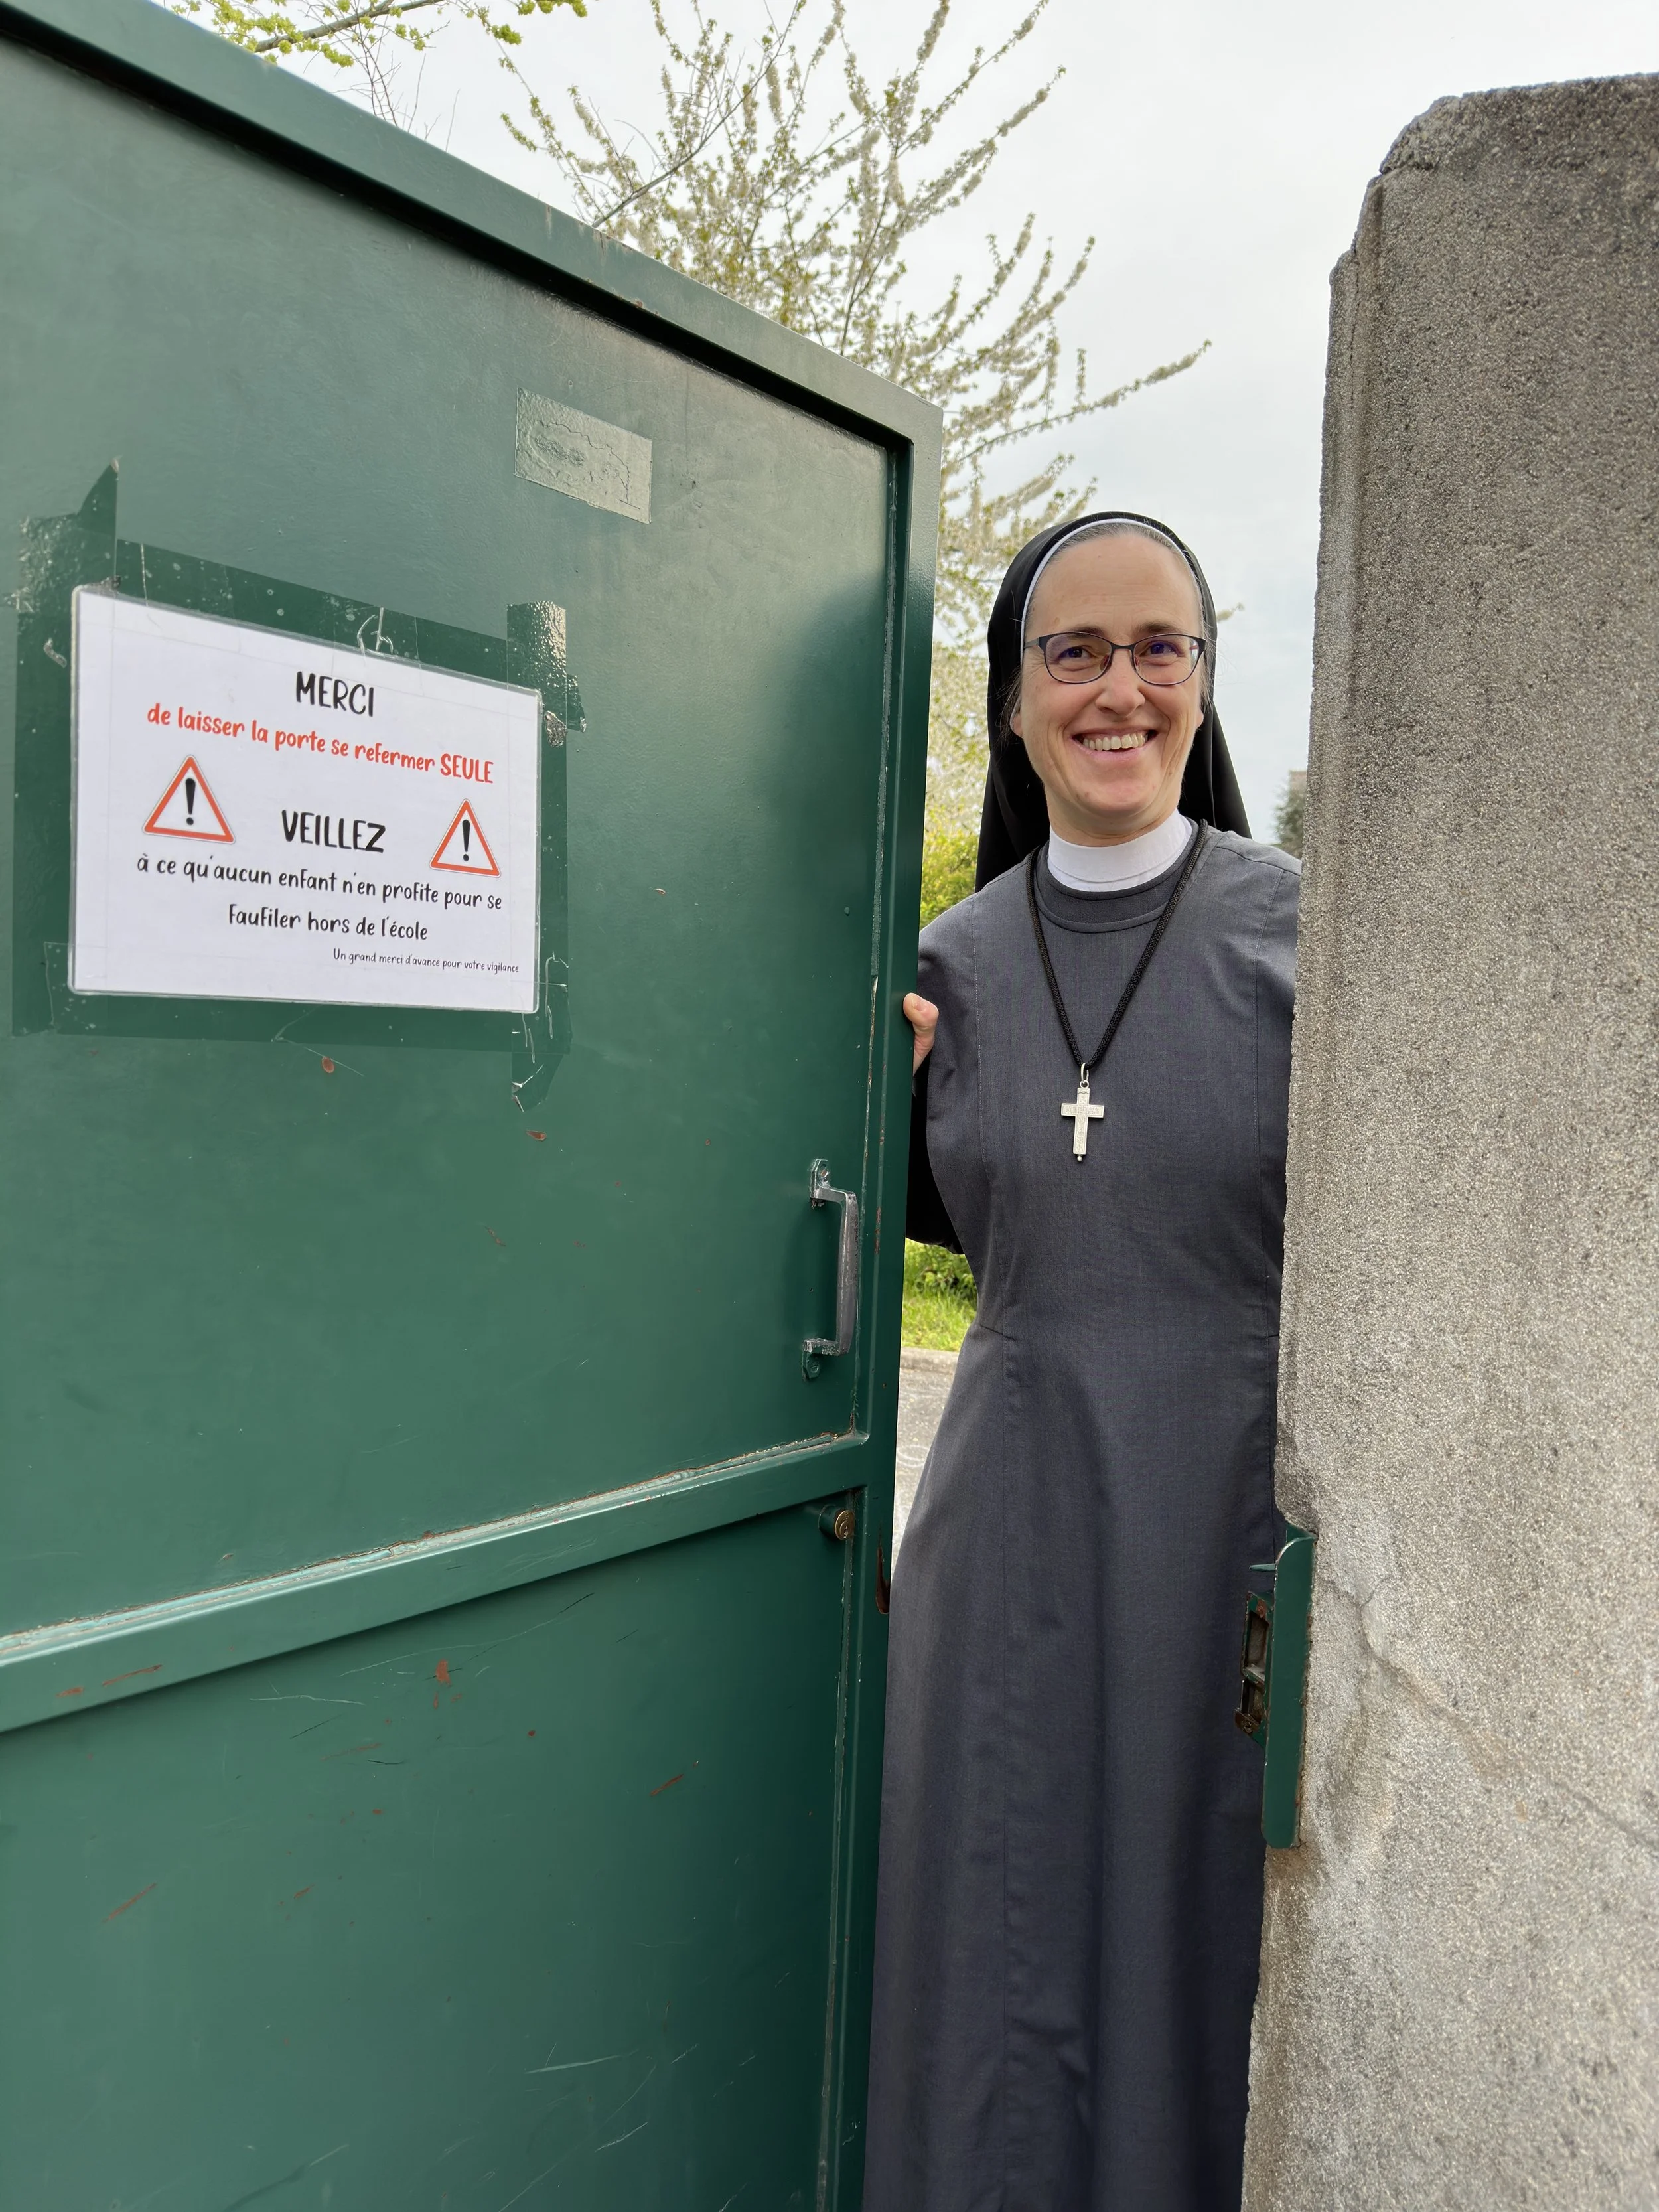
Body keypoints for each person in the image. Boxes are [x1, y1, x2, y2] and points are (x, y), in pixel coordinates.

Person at [864, 511, 1299, 2211]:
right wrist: (873, 1089)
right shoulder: (940, 970)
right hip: (1010, 1539)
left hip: (1223, 1534)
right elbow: (933, 1219)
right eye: (1074, 651)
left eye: (1158, 649)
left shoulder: (1300, 939)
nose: (1118, 688)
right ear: (1013, 695)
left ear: (1200, 681)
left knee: (1195, 1939)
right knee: (995, 1921)